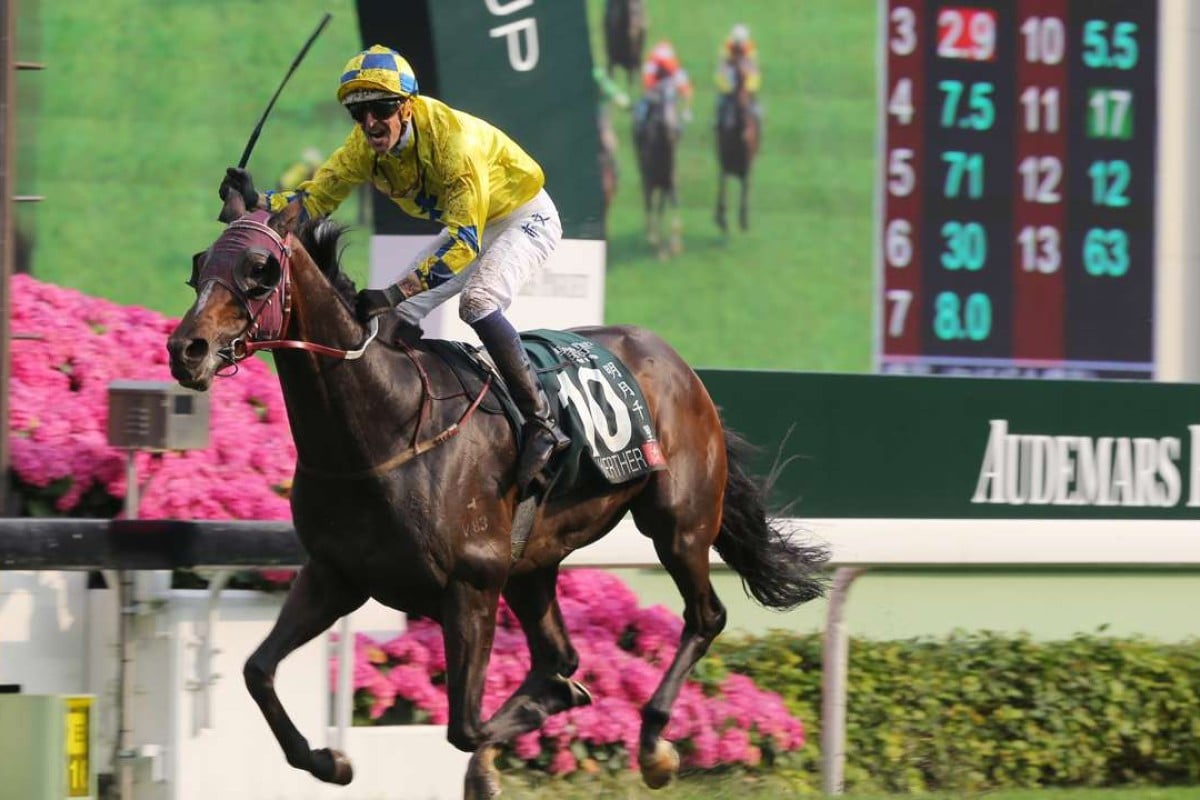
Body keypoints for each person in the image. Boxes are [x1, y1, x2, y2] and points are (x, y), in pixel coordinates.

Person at [218, 44, 569, 494]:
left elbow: (464, 245)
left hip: (523, 216)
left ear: (407, 105)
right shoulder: (363, 148)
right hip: (476, 224)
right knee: (391, 322)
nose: (369, 124)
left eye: (380, 109)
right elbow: (315, 200)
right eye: (358, 113)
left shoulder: (453, 144)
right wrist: (257, 200)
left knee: (477, 301)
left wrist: (393, 291)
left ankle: (542, 426)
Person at [634, 40, 693, 129]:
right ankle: (640, 124)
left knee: (672, 112)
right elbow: (647, 81)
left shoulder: (672, 66)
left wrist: (686, 107)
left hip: (667, 95)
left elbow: (683, 85)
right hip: (654, 92)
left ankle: (676, 128)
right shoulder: (652, 63)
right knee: (643, 107)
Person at [715, 24, 762, 128]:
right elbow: (722, 68)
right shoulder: (726, 47)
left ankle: (758, 119)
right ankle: (717, 123)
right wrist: (727, 86)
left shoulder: (750, 48)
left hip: (747, 85)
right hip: (728, 84)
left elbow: (754, 69)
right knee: (721, 103)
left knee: (754, 106)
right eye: (738, 42)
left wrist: (750, 87)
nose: (740, 45)